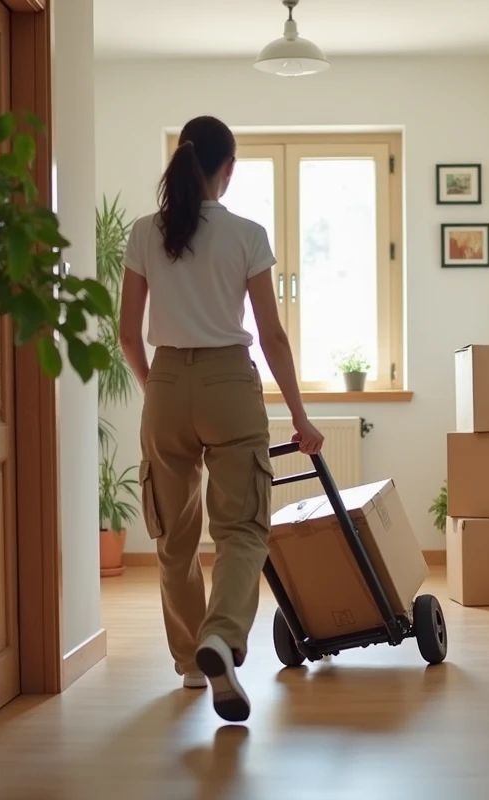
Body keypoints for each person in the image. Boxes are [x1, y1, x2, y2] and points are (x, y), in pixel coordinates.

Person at [118, 115, 324, 723]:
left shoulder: (142, 233)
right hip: (230, 384)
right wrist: (301, 416)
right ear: (226, 170)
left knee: (173, 538)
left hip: (167, 383)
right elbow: (273, 337)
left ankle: (189, 662)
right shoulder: (247, 234)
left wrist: (158, 388)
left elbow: (129, 333)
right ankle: (222, 636)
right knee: (241, 529)